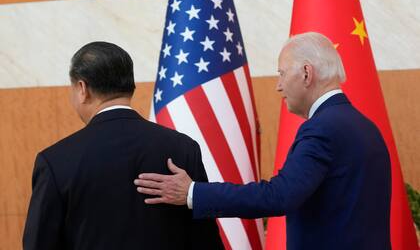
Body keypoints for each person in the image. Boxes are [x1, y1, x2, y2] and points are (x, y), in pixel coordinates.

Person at [134, 32, 392, 250]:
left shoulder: (323, 129)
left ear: (306, 73)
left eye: (281, 73)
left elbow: (279, 196)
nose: (278, 86)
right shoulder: (365, 126)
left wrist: (192, 192)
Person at [23, 42, 223, 250]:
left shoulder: (56, 161)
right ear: (130, 85)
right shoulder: (184, 148)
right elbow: (205, 240)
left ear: (82, 89)